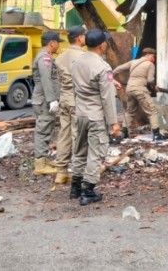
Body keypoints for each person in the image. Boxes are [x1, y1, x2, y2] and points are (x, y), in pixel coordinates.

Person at [70, 29, 120, 205]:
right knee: (96, 153)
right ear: (101, 45)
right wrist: (114, 122)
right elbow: (107, 98)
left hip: (80, 113)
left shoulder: (77, 62)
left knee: (80, 150)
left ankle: (75, 187)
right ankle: (88, 191)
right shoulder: (103, 67)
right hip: (95, 115)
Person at [52, 26, 86, 184]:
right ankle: (78, 172)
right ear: (80, 38)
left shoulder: (60, 56)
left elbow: (57, 79)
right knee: (77, 135)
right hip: (77, 99)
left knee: (64, 134)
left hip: (64, 98)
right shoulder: (83, 57)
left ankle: (61, 172)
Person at [112, 47, 167, 141]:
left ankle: (124, 133)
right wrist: (154, 87)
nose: (154, 59)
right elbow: (150, 80)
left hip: (129, 89)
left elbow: (117, 69)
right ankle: (157, 135)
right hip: (140, 89)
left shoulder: (133, 62)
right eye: (153, 57)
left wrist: (111, 80)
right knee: (152, 111)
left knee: (130, 111)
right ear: (149, 55)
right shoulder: (150, 64)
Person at [31, 31, 64, 176]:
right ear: (52, 43)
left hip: (44, 99)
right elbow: (46, 80)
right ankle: (40, 165)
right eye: (58, 42)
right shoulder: (45, 58)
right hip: (44, 100)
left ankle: (43, 159)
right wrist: (52, 100)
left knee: (47, 129)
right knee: (43, 130)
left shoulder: (46, 57)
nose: (58, 45)